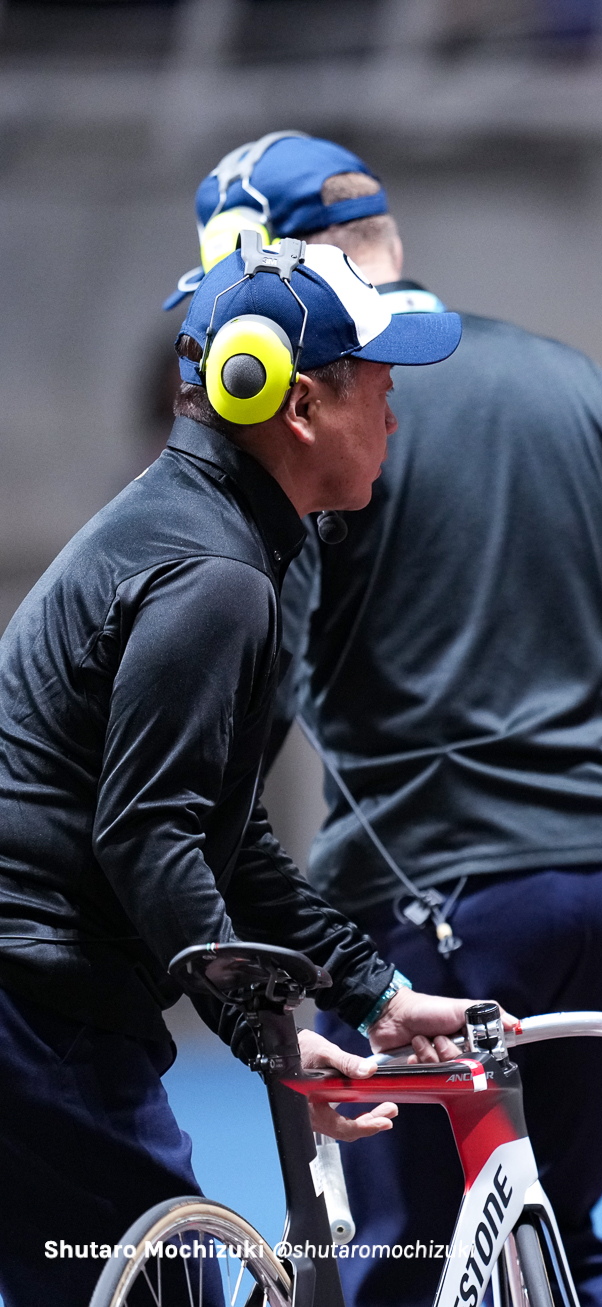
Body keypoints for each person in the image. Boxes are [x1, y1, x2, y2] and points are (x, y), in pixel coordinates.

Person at [168, 132, 602, 1307]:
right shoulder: (573, 376)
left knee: (405, 1255)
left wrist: (189, 866)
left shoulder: (329, 412)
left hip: (434, 893)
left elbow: (263, 669)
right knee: (565, 1231)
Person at [0, 236, 484, 1303]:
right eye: (379, 388)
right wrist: (274, 1037)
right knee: (164, 1288)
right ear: (298, 405)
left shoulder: (214, 538)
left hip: (36, 998)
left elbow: (227, 835)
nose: (395, 417)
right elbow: (149, 835)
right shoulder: (216, 575)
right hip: (34, 1009)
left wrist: (374, 990)